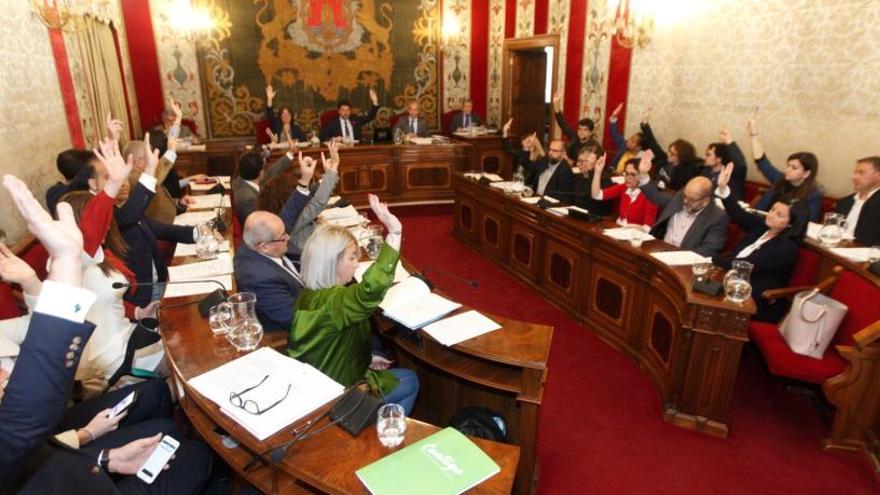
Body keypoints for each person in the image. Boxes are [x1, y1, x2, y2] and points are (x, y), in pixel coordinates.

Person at [0, 175, 212, 495]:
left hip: (63, 455)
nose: (5, 377)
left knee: (167, 425)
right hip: (66, 459)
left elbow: (36, 329)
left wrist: (108, 458)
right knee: (196, 453)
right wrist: (87, 436)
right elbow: (23, 422)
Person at [289, 194, 419, 414]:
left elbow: (333, 343)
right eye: (351, 258)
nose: (356, 263)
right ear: (332, 261)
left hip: (317, 380)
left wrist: (366, 360)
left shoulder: (310, 294)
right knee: (410, 381)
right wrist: (394, 233)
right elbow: (370, 290)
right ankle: (382, 437)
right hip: (336, 396)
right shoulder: (334, 301)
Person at [235, 150, 337, 330]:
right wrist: (339, 312)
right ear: (265, 246)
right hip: (308, 320)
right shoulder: (260, 279)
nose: (288, 237)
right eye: (283, 237)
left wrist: (304, 181)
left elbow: (287, 216)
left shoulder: (255, 241)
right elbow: (298, 321)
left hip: (310, 293)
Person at [714, 162, 809, 322]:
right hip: (734, 283)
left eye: (779, 215)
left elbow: (744, 266)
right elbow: (738, 214)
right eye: (772, 210)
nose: (771, 215)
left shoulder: (786, 247)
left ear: (790, 224)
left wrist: (711, 259)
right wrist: (723, 189)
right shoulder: (763, 227)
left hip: (757, 299)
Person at [639, 150, 729, 257]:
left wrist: (676, 257)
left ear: (705, 201)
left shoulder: (717, 217)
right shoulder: (680, 198)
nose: (685, 201)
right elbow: (656, 196)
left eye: (691, 199)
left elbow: (709, 249)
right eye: (685, 196)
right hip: (658, 251)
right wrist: (643, 174)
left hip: (683, 262)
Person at [747, 116, 822, 221]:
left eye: (794, 168)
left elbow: (807, 223)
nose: (788, 170)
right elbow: (762, 161)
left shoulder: (813, 195)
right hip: (760, 223)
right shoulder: (780, 179)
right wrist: (753, 133)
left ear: (806, 173)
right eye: (788, 166)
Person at [232, 144, 300, 225]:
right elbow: (261, 225)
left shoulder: (242, 179)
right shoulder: (249, 199)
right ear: (261, 173)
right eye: (264, 168)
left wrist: (290, 153)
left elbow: (272, 171)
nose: (266, 171)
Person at [638, 108, 700, 192]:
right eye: (669, 151)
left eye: (672, 154)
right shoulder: (664, 159)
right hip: (652, 190)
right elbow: (653, 143)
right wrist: (644, 123)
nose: (668, 154)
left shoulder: (687, 172)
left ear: (682, 157)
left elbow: (679, 192)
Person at [592, 155, 658, 230]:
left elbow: (647, 228)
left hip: (635, 234)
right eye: (626, 173)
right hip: (617, 228)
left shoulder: (651, 195)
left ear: (642, 176)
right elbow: (596, 195)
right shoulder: (624, 187)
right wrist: (597, 172)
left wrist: (628, 228)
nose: (628, 178)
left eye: (633, 174)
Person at [835, 156, 880, 245]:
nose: (855, 177)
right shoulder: (844, 202)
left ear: (878, 176)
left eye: (861, 173)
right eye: (855, 172)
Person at [551, 90, 599, 164]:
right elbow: (562, 122)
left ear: (591, 132)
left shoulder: (594, 146)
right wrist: (556, 103)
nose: (581, 132)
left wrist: (568, 160)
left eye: (585, 130)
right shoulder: (574, 137)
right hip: (565, 168)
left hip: (579, 173)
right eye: (579, 129)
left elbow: (585, 166)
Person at [700, 131, 747, 200]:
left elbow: (741, 165)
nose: (705, 157)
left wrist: (729, 141)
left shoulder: (731, 176)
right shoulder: (705, 172)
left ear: (719, 159)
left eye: (708, 155)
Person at [571, 144, 614, 216]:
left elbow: (602, 210)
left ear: (599, 162)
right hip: (576, 215)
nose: (578, 164)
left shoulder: (604, 180)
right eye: (578, 160)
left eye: (583, 161)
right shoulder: (577, 176)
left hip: (593, 220)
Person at [608, 103, 644, 173]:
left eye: (633, 141)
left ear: (638, 147)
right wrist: (614, 116)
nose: (629, 141)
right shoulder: (624, 145)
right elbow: (615, 133)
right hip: (611, 174)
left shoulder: (640, 158)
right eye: (630, 138)